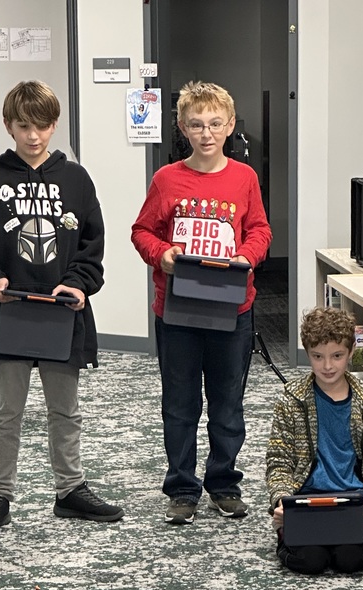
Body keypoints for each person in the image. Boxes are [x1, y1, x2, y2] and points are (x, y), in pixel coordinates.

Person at [0, 80, 123, 537]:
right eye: (24, 126)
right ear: (9, 125)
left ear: (54, 126)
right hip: (8, 313)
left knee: (65, 410)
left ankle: (70, 489)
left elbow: (93, 245)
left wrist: (79, 284)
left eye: (43, 126)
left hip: (60, 314)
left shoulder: (76, 179)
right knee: (5, 412)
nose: (33, 136)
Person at [131, 81, 271, 525]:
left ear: (230, 125)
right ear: (182, 128)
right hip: (178, 309)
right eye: (196, 124)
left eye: (215, 124)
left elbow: (260, 231)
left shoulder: (244, 178)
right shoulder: (166, 179)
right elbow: (142, 231)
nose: (206, 133)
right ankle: (182, 488)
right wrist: (162, 255)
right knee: (180, 402)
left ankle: (224, 483)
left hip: (232, 306)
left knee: (228, 402)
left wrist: (247, 256)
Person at [266, 306, 363, 574]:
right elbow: (279, 461)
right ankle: (286, 537)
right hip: (306, 502)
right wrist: (281, 501)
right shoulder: (292, 398)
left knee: (349, 561)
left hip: (351, 502)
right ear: (308, 354)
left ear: (350, 353)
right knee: (311, 562)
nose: (327, 366)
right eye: (317, 356)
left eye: (336, 356)